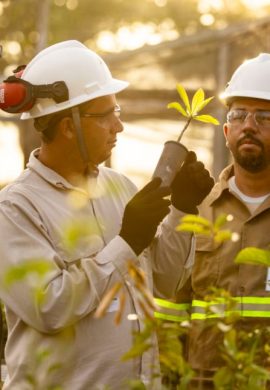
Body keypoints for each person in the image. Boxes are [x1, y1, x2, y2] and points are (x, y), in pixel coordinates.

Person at [0, 40, 214, 390]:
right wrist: (126, 242)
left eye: (119, 112)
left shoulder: (120, 187)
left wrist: (182, 210)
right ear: (68, 126)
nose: (119, 126)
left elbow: (164, 281)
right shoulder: (15, 209)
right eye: (107, 115)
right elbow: (50, 308)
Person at [172, 53, 270, 389]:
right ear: (227, 130)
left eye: (264, 117)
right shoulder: (196, 210)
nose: (249, 126)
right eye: (239, 115)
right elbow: (170, 307)